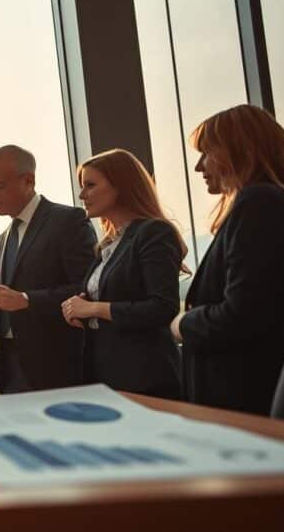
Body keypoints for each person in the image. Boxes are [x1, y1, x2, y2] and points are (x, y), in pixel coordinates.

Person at [172, 104, 284, 415]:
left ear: (238, 150)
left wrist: (182, 323)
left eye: (206, 153)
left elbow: (242, 315)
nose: (198, 167)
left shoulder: (259, 202)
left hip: (244, 396)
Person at [60, 149, 184, 398]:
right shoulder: (107, 244)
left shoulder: (153, 232)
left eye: (90, 185)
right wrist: (79, 307)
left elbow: (162, 307)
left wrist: (93, 309)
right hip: (107, 375)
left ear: (121, 186)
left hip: (146, 377)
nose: (82, 194)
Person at [0, 144, 97, 392]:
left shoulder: (68, 221)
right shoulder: (1, 240)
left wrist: (27, 299)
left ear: (28, 181)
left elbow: (86, 288)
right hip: (10, 369)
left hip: (57, 367)